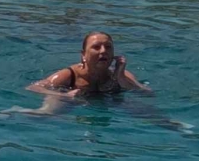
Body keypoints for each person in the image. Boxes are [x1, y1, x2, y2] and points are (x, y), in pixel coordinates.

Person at [21, 32, 150, 113]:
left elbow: (147, 93)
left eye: (108, 47)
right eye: (96, 47)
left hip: (107, 102)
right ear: (83, 55)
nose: (103, 51)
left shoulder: (122, 74)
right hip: (70, 99)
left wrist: (120, 77)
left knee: (148, 114)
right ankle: (17, 112)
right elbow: (33, 87)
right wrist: (63, 95)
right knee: (46, 114)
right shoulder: (69, 75)